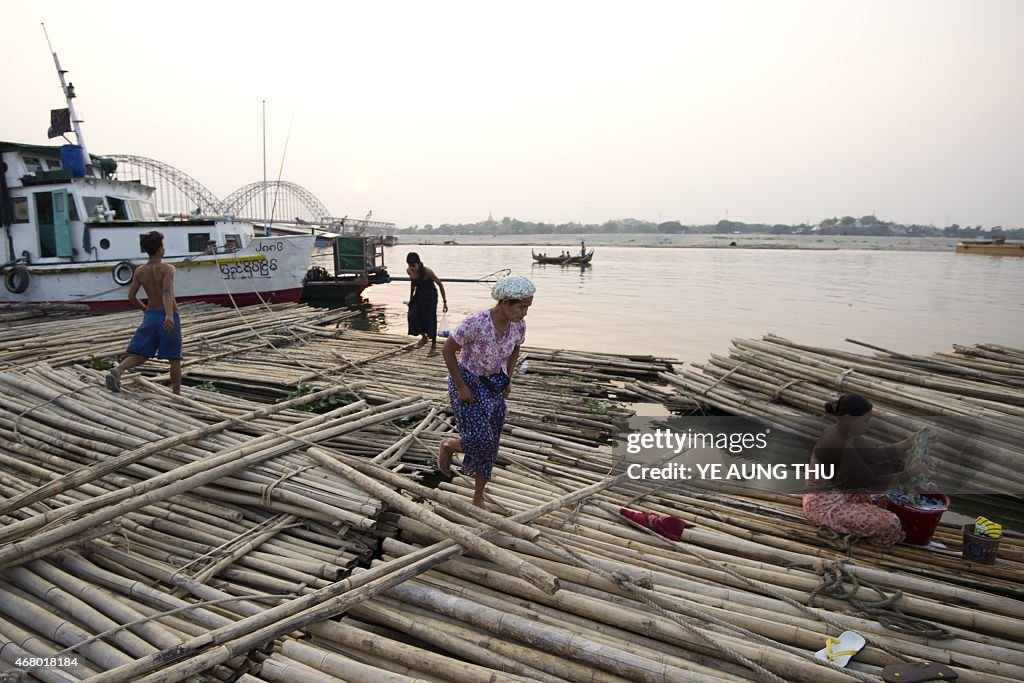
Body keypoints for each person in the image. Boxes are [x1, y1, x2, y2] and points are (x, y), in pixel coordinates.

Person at [437, 274, 535, 508]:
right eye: (522, 306)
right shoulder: (476, 323)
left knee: (491, 446)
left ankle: (478, 496)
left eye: (528, 307)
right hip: (468, 381)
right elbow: (448, 350)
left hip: (494, 384)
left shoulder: (518, 325)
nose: (525, 312)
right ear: (504, 302)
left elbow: (515, 350)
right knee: (480, 440)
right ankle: (449, 446)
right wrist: (461, 386)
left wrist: (508, 379)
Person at [803, 394, 928, 547]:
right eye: (865, 421)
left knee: (890, 497)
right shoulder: (837, 443)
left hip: (844, 493)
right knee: (890, 523)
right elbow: (870, 481)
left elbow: (875, 455)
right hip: (825, 505)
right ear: (849, 418)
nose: (868, 425)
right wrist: (910, 473)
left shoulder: (847, 433)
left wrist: (908, 443)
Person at [107, 231, 182, 394]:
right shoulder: (168, 269)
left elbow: (131, 296)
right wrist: (169, 315)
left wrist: (144, 308)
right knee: (174, 358)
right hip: (168, 316)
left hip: (151, 315)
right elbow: (167, 292)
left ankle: (119, 370)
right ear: (160, 249)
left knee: (141, 354)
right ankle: (176, 394)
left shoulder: (140, 271)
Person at [406, 252, 448, 355]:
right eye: (410, 266)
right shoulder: (409, 271)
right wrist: (411, 298)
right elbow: (413, 283)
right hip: (419, 294)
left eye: (413, 266)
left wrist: (444, 301)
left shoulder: (427, 271)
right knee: (412, 316)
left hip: (430, 295)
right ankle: (424, 338)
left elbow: (440, 284)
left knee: (430, 319)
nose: (412, 268)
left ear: (419, 264)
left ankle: (433, 346)